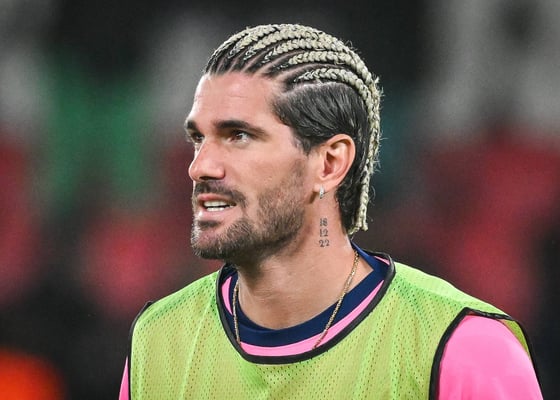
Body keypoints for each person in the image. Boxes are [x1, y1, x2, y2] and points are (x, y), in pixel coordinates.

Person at [119, 23, 542, 399]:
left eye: (239, 136)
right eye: (199, 138)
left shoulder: (463, 348)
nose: (200, 166)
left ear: (329, 163)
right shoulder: (158, 341)